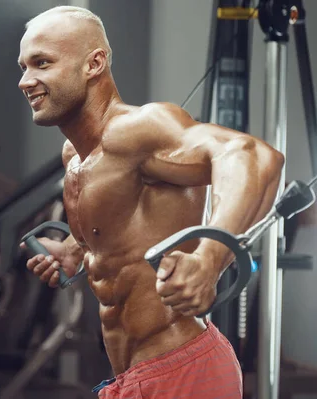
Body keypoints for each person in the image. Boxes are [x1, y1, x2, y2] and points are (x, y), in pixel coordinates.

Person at [17, 6, 284, 399]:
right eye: (23, 66)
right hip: (134, 377)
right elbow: (124, 226)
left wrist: (210, 260)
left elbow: (255, 156)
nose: (26, 81)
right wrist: (76, 250)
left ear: (94, 63)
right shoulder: (74, 156)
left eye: (42, 63)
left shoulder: (137, 129)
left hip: (183, 370)